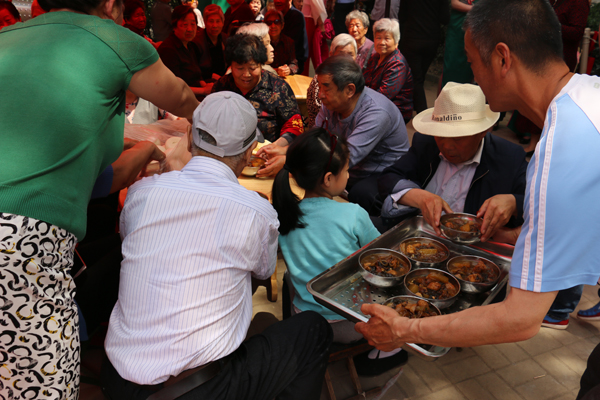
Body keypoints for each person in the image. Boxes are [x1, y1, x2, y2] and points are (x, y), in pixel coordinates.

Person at [354, 2, 600, 400]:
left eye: (471, 62)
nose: (472, 76)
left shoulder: (562, 150)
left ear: (502, 58)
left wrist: (404, 329)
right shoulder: (589, 96)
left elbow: (520, 319)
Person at [0, 0, 199, 396]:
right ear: (110, 5)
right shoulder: (112, 39)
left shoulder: (9, 37)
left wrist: (145, 149)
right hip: (20, 244)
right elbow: (180, 96)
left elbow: (101, 178)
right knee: (42, 381)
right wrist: (211, 126)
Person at [102, 91, 333, 400]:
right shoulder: (256, 211)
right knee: (313, 329)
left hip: (117, 380)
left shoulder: (141, 193)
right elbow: (263, 273)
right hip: (201, 388)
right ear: (250, 152)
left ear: (188, 137)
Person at [376, 83, 527, 238]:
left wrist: (513, 202)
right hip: (420, 232)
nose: (447, 146)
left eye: (458, 138)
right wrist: (420, 197)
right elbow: (388, 178)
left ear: (483, 132)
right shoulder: (426, 143)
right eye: (441, 135)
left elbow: (536, 203)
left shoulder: (510, 158)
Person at [315, 55, 410, 214]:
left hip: (383, 174)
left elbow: (346, 158)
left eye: (326, 88)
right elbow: (315, 138)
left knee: (359, 192)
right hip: (351, 170)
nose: (320, 95)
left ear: (349, 90)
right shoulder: (331, 104)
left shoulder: (376, 112)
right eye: (319, 87)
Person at [212, 34, 304, 176]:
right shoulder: (221, 87)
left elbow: (294, 126)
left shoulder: (278, 87)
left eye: (252, 67)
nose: (246, 74)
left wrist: (275, 146)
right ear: (231, 66)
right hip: (225, 163)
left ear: (261, 65)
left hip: (266, 162)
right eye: (239, 68)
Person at [399, 0, 450, 113]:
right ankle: (415, 106)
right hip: (431, 38)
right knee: (419, 77)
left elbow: (402, 16)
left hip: (412, 37)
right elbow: (445, 18)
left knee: (416, 78)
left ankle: (421, 111)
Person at [363, 18, 413, 123]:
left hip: (394, 111)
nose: (381, 42)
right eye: (378, 38)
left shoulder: (397, 63)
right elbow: (363, 81)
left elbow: (383, 96)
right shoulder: (375, 57)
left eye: (387, 38)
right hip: (374, 104)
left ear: (396, 41)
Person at [158, 5, 214, 97]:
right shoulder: (168, 49)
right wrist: (204, 90)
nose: (190, 29)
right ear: (175, 26)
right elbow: (175, 87)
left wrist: (206, 86)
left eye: (193, 24)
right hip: (181, 98)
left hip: (195, 92)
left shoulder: (190, 45)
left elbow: (197, 76)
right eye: (185, 25)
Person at [306, 33, 357, 128]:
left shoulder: (356, 79)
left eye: (350, 55)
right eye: (341, 54)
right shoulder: (321, 79)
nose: (346, 59)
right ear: (331, 55)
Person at [441, 0, 475, 87]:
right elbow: (454, 3)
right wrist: (476, 9)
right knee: (449, 68)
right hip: (456, 30)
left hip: (474, 32)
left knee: (469, 69)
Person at [193, 4, 227, 79]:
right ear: (205, 22)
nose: (214, 25)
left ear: (222, 23)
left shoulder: (225, 38)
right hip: (205, 80)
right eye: (211, 21)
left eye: (218, 21)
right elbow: (194, 70)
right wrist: (211, 76)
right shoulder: (196, 42)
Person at [274, 0, 308, 72]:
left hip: (293, 65)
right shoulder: (275, 15)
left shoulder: (297, 16)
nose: (277, 1)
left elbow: (292, 48)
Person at [265, 9, 299, 76]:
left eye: (277, 22)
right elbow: (257, 65)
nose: (273, 26)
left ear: (282, 25)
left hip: (283, 77)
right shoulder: (261, 42)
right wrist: (275, 70)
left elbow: (294, 64)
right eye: (269, 22)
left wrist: (288, 70)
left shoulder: (289, 42)